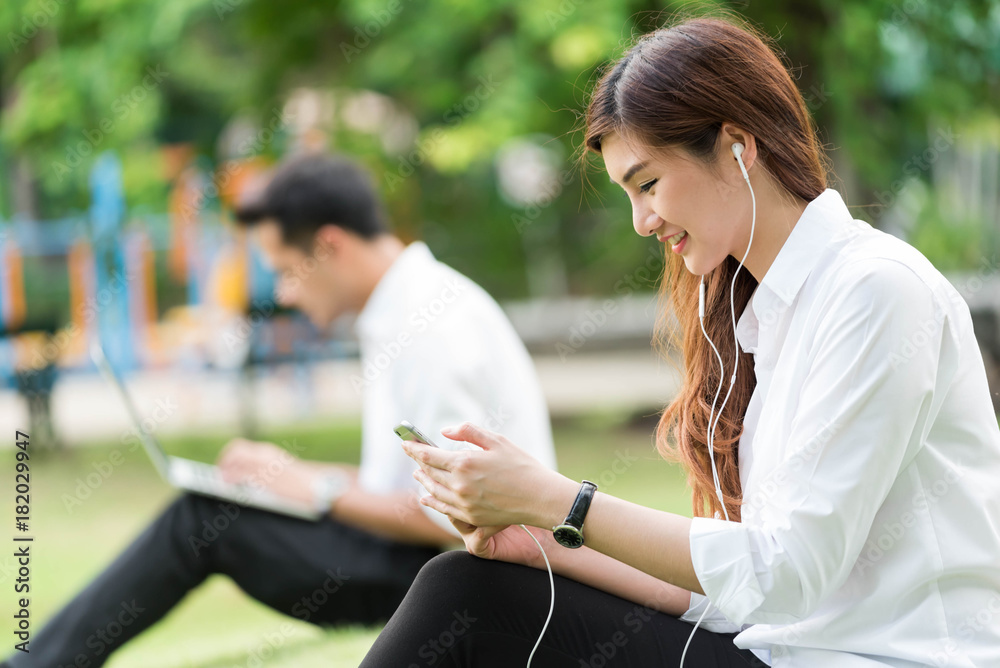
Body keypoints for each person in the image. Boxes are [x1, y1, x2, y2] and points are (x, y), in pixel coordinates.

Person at [359, 15, 1000, 668]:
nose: (641, 221)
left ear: (736, 147)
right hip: (779, 652)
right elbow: (741, 593)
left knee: (462, 600)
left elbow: (786, 574)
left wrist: (559, 499)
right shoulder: (768, 321)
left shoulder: (874, 292)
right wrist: (544, 540)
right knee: (470, 586)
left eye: (648, 184)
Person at [3, 153, 556, 667]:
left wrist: (315, 489)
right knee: (211, 507)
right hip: (422, 558)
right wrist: (285, 478)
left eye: (287, 269)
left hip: (460, 575)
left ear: (330, 246)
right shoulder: (410, 308)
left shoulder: (431, 326)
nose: (286, 294)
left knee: (201, 520)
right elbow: (402, 483)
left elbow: (455, 512)